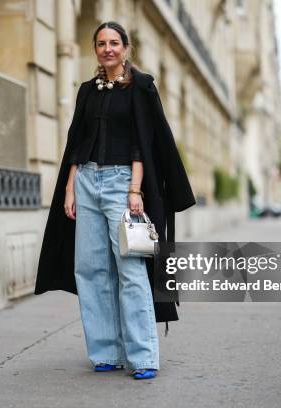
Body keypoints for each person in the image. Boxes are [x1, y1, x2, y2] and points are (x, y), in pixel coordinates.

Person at [35, 21, 196, 380]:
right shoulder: (87, 91)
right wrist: (70, 188)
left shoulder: (140, 86)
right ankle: (106, 350)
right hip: (88, 181)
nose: (107, 48)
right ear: (95, 50)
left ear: (126, 47)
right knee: (91, 270)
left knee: (130, 269)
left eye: (114, 43)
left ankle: (142, 356)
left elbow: (146, 141)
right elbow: (77, 143)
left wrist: (136, 189)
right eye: (100, 43)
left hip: (123, 183)